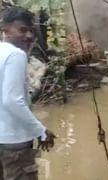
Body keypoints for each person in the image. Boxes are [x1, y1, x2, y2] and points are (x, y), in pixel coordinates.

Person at [0, 7, 56, 180]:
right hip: (14, 143)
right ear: (5, 29)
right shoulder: (16, 54)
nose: (29, 36)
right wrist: (40, 130)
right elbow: (12, 100)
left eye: (31, 30)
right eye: (22, 30)